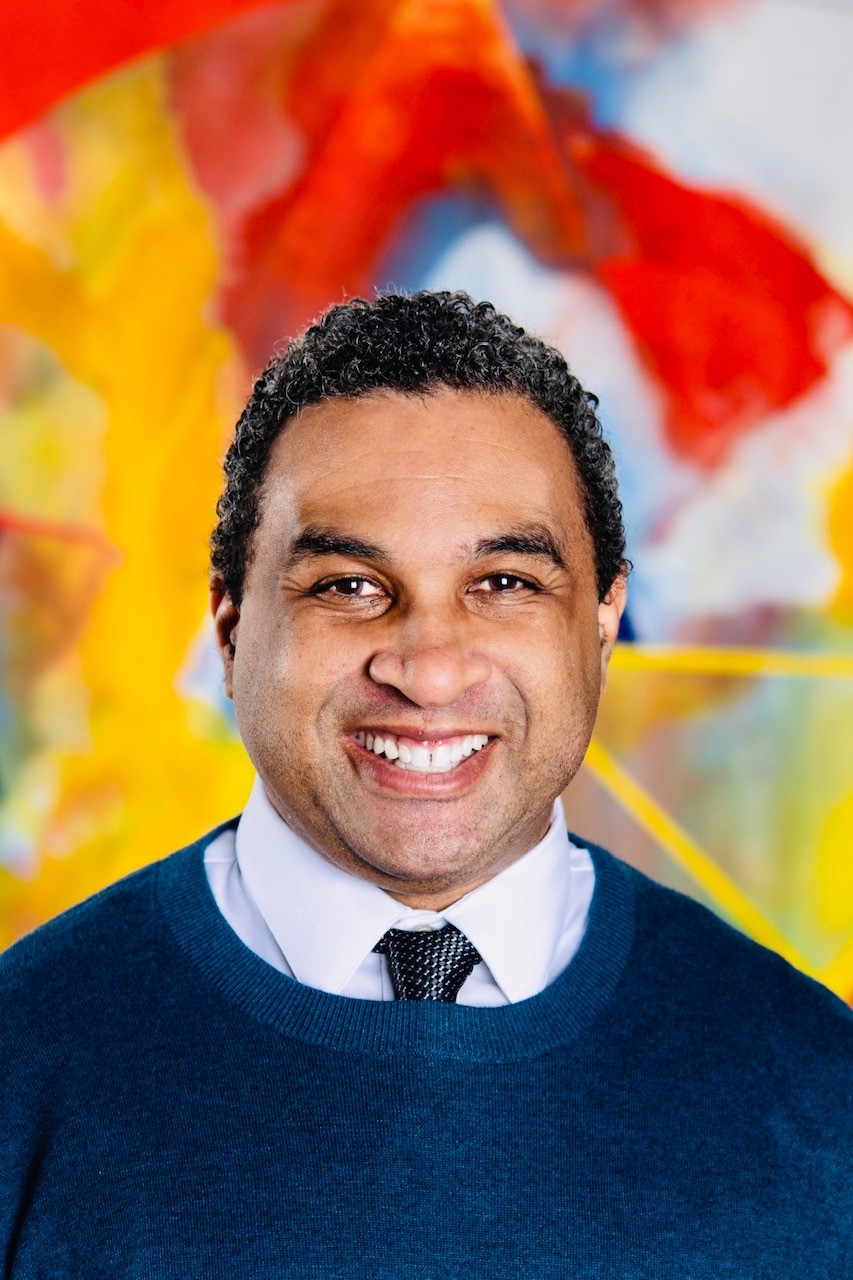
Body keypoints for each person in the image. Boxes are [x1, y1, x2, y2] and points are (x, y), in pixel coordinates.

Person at [1, 291, 849, 1277]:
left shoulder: (818, 1095)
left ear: (602, 621)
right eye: (348, 586)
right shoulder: (22, 1066)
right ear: (230, 631)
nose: (430, 671)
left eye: (504, 584)